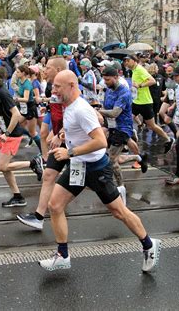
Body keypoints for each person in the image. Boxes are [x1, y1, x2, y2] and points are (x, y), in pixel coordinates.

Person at [37, 70, 161, 272]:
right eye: (54, 86)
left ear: (71, 85)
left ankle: (149, 244)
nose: (54, 90)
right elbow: (78, 127)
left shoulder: (80, 109)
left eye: (58, 86)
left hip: (96, 168)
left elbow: (100, 141)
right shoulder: (69, 104)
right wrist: (61, 134)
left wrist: (69, 152)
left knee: (119, 212)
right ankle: (62, 255)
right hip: (79, 166)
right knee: (55, 205)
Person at [0, 66, 43, 207]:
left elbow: (16, 114)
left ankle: (33, 163)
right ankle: (18, 196)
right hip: (6, 134)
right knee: (5, 167)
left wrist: (7, 133)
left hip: (12, 135)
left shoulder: (3, 93)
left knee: (2, 166)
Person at [16, 56, 67, 230]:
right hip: (62, 142)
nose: (44, 70)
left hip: (76, 145)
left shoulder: (67, 88)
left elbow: (74, 115)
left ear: (59, 71)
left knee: (107, 197)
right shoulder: (54, 88)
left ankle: (116, 197)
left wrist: (59, 134)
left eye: (48, 68)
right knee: (48, 176)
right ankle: (38, 217)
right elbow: (59, 112)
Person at [99, 66, 148, 186]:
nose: (106, 82)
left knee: (110, 160)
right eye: (104, 80)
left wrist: (98, 111)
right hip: (112, 127)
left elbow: (115, 113)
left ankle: (120, 186)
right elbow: (106, 108)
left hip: (122, 128)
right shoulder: (109, 90)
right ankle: (138, 158)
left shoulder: (124, 93)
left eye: (108, 80)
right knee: (117, 159)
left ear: (116, 77)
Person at [123, 54, 174, 153]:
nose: (126, 63)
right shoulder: (134, 70)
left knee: (152, 126)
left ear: (134, 61)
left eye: (128, 61)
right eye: (125, 61)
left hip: (145, 103)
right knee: (126, 119)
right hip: (136, 101)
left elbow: (152, 81)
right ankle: (126, 142)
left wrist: (140, 85)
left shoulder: (140, 69)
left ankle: (168, 139)